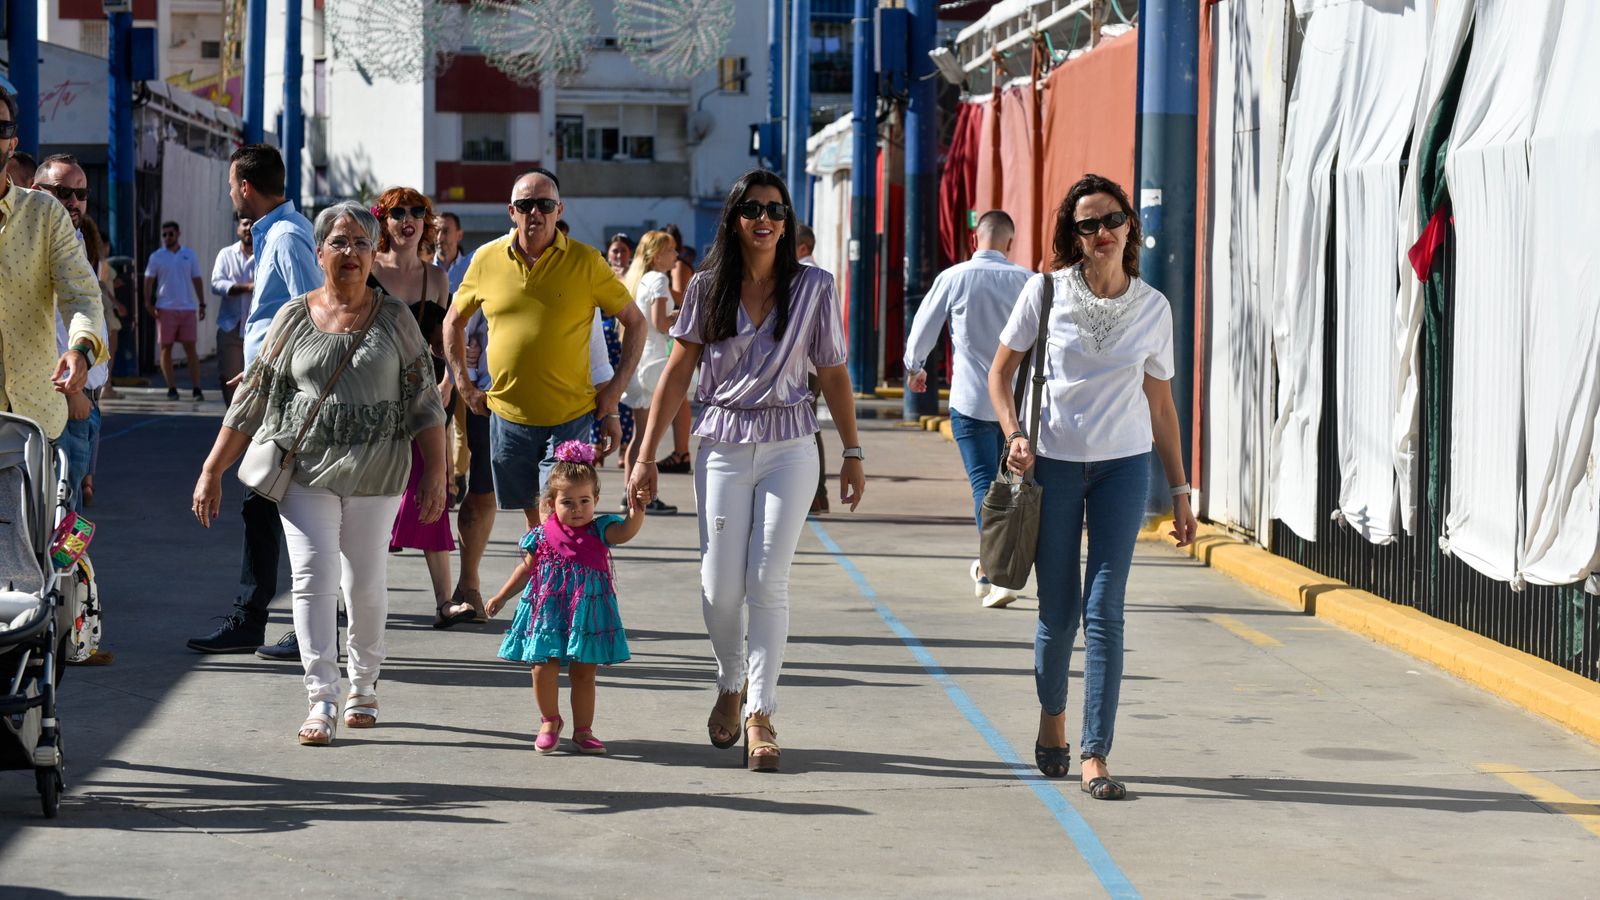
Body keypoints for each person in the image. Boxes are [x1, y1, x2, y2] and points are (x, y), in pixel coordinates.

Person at [627, 169, 865, 773]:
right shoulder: (708, 288)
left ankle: (760, 710)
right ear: (736, 218)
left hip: (791, 443)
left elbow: (833, 372)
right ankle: (729, 679)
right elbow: (678, 374)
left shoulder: (815, 287)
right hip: (723, 442)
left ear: (787, 224)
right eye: (755, 209)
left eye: (777, 211)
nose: (766, 219)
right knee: (719, 587)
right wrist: (646, 452)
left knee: (767, 580)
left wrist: (853, 451)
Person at [192, 200, 448, 746]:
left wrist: (438, 474)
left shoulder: (396, 317)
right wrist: (214, 468)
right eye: (339, 242)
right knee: (311, 581)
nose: (350, 253)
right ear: (320, 251)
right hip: (306, 466)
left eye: (361, 243)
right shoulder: (291, 316)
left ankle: (365, 684)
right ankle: (322, 696)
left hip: (378, 469)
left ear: (375, 252)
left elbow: (425, 401)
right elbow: (253, 397)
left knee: (365, 582)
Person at [986, 174, 1198, 798]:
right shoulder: (1044, 293)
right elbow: (1000, 375)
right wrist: (1014, 434)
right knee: (1058, 613)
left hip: (1123, 470)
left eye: (1111, 220)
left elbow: (1161, 408)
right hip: (1051, 467)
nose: (1101, 233)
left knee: (1105, 610)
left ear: (1131, 226)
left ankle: (1095, 752)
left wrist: (1181, 493)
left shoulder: (1154, 308)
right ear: (1073, 237)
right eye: (1087, 225)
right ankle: (1053, 716)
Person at [444, 168, 646, 536]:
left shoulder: (586, 261)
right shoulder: (487, 259)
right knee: (535, 522)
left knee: (561, 515)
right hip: (508, 417)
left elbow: (636, 323)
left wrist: (614, 393)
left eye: (544, 204)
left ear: (559, 209)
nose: (534, 212)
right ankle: (545, 585)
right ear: (511, 211)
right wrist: (463, 384)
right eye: (525, 204)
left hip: (570, 417)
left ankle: (556, 587)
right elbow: (452, 322)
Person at [187, 144, 322, 658]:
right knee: (263, 506)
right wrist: (266, 357)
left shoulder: (285, 237)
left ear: (246, 186)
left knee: (289, 509)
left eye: (230, 185)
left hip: (287, 399)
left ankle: (297, 624)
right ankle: (257, 617)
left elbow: (315, 313)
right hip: (272, 385)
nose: (228, 194)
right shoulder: (276, 234)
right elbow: (285, 317)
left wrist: (278, 367)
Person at [905, 210, 1032, 608]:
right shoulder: (1029, 281)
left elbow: (924, 324)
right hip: (1017, 408)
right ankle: (989, 567)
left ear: (974, 238)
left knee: (983, 487)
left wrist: (915, 367)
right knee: (1016, 488)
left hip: (971, 402)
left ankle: (998, 574)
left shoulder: (955, 277)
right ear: (1010, 243)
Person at [486, 440, 645, 754]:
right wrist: (502, 596)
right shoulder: (543, 535)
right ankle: (549, 720)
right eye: (568, 502)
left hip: (587, 612)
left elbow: (626, 531)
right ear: (551, 502)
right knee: (542, 667)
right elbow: (527, 569)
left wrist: (637, 509)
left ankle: (583, 730)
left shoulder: (601, 529)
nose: (577, 509)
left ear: (596, 499)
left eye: (585, 501)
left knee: (584, 672)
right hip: (548, 610)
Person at [369, 187, 469, 627]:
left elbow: (439, 344)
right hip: (372, 399)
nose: (407, 219)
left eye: (416, 212)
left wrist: (450, 378)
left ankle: (445, 601)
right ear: (384, 221)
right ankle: (357, 598)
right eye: (397, 212)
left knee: (432, 490)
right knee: (368, 497)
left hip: (424, 399)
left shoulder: (438, 278)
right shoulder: (366, 268)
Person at [0, 90, 106, 447]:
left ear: (12, 144)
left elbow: (81, 296)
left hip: (30, 422)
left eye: (0, 128)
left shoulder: (45, 215)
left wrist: (80, 350)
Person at [31, 154, 110, 513]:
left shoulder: (78, 243)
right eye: (63, 192)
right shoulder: (33, 247)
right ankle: (60, 570)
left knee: (73, 507)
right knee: (59, 513)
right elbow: (40, 328)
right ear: (36, 191)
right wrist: (71, 393)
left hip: (87, 398)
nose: (74, 202)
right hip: (64, 400)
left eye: (81, 193)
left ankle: (73, 571)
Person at [618, 229, 679, 514]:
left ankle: (629, 490)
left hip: (639, 362)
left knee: (639, 434)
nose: (676, 255)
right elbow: (661, 322)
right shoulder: (659, 280)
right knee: (648, 435)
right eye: (671, 251)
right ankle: (643, 494)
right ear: (657, 255)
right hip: (653, 363)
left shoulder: (639, 279)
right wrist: (682, 315)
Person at [143, 220, 207, 401]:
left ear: (178, 234)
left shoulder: (189, 255)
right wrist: (148, 302)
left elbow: (197, 279)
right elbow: (148, 280)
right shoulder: (156, 257)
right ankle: (171, 387)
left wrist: (202, 303)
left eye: (170, 234)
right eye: (164, 235)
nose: (167, 238)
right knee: (166, 347)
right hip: (165, 307)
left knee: (190, 348)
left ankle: (197, 388)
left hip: (187, 307)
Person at [795, 224, 829, 514]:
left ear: (803, 248)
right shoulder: (814, 277)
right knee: (808, 428)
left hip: (804, 366)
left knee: (804, 430)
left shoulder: (805, 277)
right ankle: (816, 495)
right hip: (811, 366)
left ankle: (814, 495)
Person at [658, 224, 696, 475]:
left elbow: (682, 296)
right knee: (677, 396)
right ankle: (680, 451)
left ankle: (681, 451)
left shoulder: (679, 266)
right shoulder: (677, 265)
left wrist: (655, 288)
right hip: (679, 330)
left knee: (678, 395)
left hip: (680, 331)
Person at [211, 215, 256, 404]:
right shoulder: (226, 254)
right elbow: (216, 284)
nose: (248, 228)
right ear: (238, 228)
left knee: (256, 382)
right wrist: (246, 288)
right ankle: (231, 420)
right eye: (245, 224)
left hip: (258, 329)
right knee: (229, 378)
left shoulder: (267, 254)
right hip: (231, 327)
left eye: (253, 224)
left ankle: (251, 428)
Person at [434, 211, 472, 291]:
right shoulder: (423, 270)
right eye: (436, 231)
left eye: (445, 231)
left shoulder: (471, 269)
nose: (439, 238)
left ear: (459, 235)